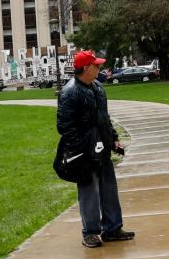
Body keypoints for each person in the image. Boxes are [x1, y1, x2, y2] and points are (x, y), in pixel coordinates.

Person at [57, 50, 135, 248]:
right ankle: (90, 233)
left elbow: (104, 118)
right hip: (84, 152)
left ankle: (113, 227)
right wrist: (79, 151)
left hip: (102, 147)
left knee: (109, 188)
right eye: (97, 65)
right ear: (86, 68)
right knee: (89, 191)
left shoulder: (98, 88)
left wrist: (113, 138)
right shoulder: (70, 92)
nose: (100, 68)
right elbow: (65, 127)